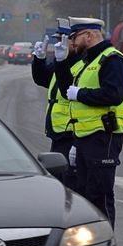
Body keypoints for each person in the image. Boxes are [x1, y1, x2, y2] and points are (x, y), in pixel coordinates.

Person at [53, 17, 123, 228]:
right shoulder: (88, 62)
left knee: (100, 197)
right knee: (83, 196)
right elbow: (66, 91)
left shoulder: (112, 60)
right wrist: (61, 63)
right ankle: (87, 244)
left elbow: (114, 94)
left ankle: (104, 245)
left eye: (75, 37)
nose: (73, 43)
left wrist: (82, 94)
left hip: (103, 137)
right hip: (84, 139)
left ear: (88, 35)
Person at [31, 18, 84, 190]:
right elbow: (43, 79)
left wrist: (77, 142)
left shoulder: (79, 63)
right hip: (58, 132)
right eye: (56, 39)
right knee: (58, 182)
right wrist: (39, 59)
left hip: (71, 133)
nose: (58, 44)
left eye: (62, 39)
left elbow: (67, 89)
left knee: (69, 185)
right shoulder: (62, 60)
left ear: (73, 40)